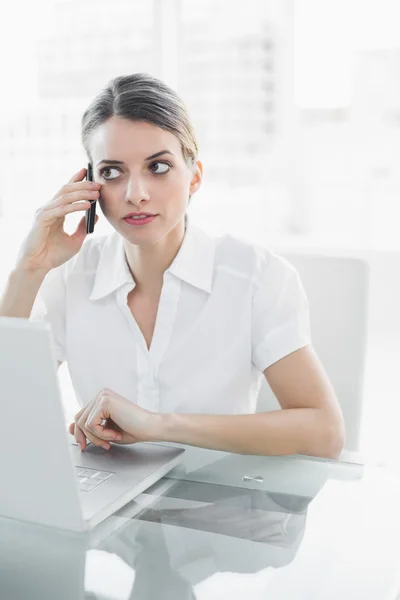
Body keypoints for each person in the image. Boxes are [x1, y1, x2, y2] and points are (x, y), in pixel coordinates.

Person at [0, 73, 345, 458]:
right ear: (90, 186)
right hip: (106, 508)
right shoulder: (69, 278)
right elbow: (6, 406)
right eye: (112, 172)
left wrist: (160, 425)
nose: (136, 195)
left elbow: (325, 432)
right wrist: (28, 271)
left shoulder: (255, 277)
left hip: (217, 507)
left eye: (158, 167)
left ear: (194, 176)